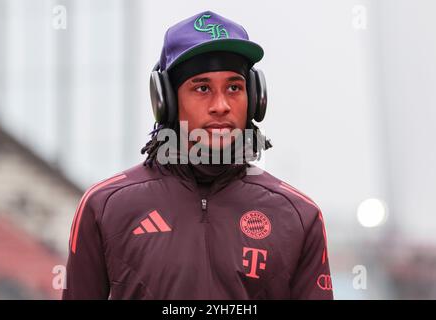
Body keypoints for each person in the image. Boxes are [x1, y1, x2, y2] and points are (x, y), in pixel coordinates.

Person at [62, 10, 333, 300]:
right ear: (165, 100)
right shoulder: (106, 207)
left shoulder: (299, 216)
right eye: (202, 88)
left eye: (234, 87)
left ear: (255, 99)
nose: (221, 105)